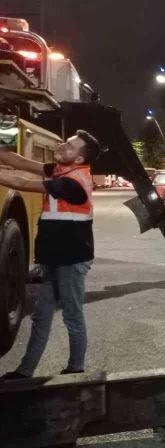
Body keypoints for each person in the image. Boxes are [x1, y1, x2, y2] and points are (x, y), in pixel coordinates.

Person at [0, 130, 100, 379]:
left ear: (78, 159)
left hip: (72, 259)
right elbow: (21, 163)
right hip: (54, 256)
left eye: (69, 146)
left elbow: (22, 183)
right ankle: (25, 371)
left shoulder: (73, 182)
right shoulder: (61, 170)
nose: (62, 145)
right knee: (41, 316)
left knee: (72, 314)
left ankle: (76, 370)